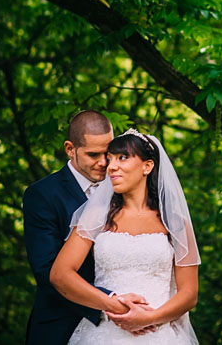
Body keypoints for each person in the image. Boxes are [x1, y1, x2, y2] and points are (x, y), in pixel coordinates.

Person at [50, 129, 200, 344]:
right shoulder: (96, 216)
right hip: (103, 333)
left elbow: (189, 294)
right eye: (110, 159)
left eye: (123, 158)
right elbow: (60, 275)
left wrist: (150, 318)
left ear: (147, 166)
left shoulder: (175, 223)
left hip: (159, 336)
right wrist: (112, 304)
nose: (111, 167)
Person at [23, 110, 125, 344]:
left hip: (126, 325)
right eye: (93, 154)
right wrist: (110, 302)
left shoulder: (125, 185)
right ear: (70, 149)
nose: (103, 162)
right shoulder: (42, 195)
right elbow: (47, 272)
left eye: (108, 153)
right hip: (63, 324)